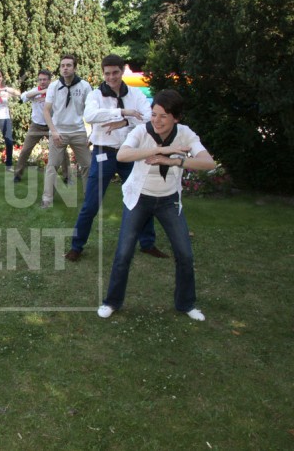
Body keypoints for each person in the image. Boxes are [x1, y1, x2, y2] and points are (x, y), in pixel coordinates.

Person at [98, 89, 215, 321]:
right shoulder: (143, 131)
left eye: (163, 116)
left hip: (169, 201)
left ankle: (186, 304)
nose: (157, 120)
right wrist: (159, 150)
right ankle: (111, 302)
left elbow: (208, 162)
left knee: (185, 254)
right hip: (139, 198)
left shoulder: (185, 134)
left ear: (176, 118)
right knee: (123, 253)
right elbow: (122, 155)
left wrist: (174, 161)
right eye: (154, 114)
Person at [65, 54, 167, 261]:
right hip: (105, 152)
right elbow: (91, 116)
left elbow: (148, 118)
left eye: (115, 73)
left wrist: (123, 122)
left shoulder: (136, 94)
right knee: (91, 203)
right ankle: (77, 246)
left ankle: (147, 243)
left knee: (141, 198)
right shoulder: (95, 95)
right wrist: (124, 112)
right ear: (103, 73)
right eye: (107, 73)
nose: (111, 77)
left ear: (122, 71)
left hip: (130, 153)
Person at [42, 55, 93, 208]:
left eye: (68, 65)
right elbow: (46, 111)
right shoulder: (54, 86)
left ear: (75, 68)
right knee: (52, 166)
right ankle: (47, 200)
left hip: (78, 132)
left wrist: (93, 134)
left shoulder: (84, 86)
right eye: (62, 65)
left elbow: (92, 112)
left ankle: (89, 199)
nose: (65, 68)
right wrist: (54, 132)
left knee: (87, 166)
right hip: (59, 133)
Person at [13, 70, 70, 184]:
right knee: (25, 150)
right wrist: (42, 91)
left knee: (62, 150)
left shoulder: (56, 91)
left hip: (52, 126)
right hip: (37, 125)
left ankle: (67, 176)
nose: (42, 82)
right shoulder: (35, 90)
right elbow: (23, 97)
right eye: (40, 79)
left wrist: (47, 94)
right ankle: (17, 175)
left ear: (49, 80)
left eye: (45, 79)